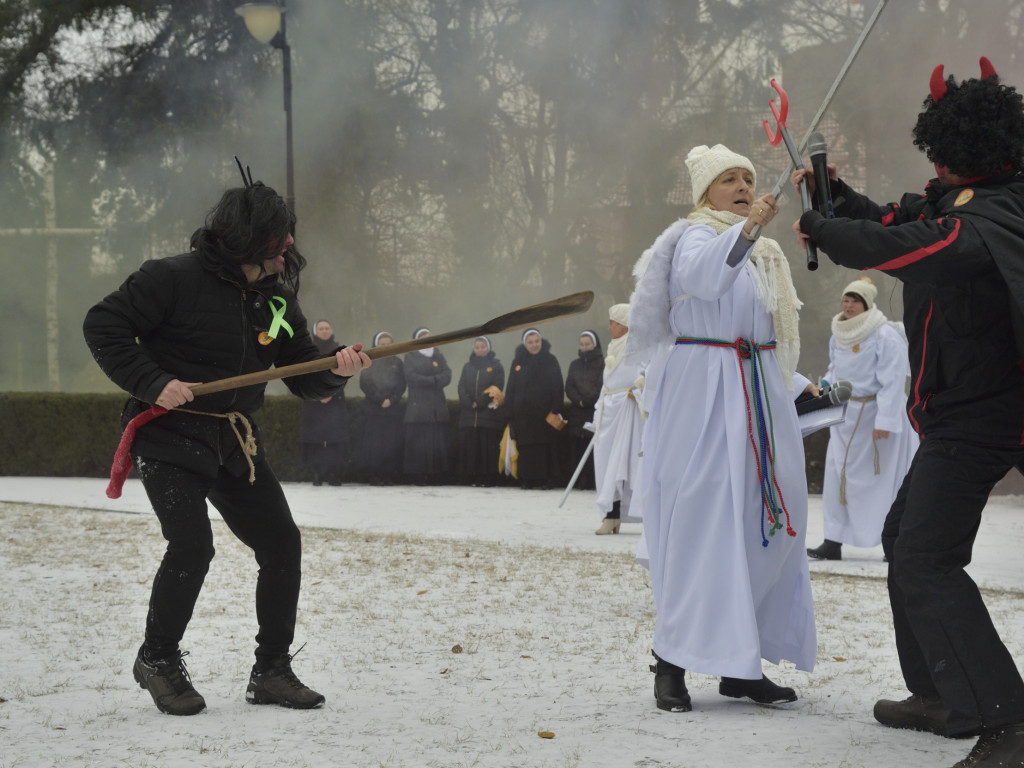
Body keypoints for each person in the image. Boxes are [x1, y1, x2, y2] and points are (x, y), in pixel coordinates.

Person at [794, 58, 1024, 766]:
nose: (935, 164)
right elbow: (889, 219)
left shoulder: (985, 220)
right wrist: (835, 197)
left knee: (926, 557)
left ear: (961, 150)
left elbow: (901, 246)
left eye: (942, 153)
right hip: (960, 413)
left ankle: (1006, 721)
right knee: (905, 538)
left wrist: (823, 228)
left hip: (984, 415)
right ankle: (941, 694)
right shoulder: (962, 201)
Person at [82, 179, 371, 716]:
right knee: (193, 546)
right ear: (248, 239)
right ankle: (157, 660)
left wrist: (336, 370)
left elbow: (302, 373)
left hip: (234, 440)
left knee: (282, 543)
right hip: (168, 435)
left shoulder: (276, 299)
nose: (288, 247)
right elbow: (103, 325)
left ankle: (271, 671)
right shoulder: (169, 278)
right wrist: (154, 382)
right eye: (278, 239)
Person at [628, 144, 817, 713]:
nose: (742, 187)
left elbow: (763, 329)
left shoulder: (764, 254)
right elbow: (706, 280)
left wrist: (795, 381)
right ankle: (672, 661)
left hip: (757, 392)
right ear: (705, 191)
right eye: (728, 179)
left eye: (747, 179)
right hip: (704, 394)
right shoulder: (692, 237)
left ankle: (741, 663)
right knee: (703, 519)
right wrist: (749, 228)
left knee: (768, 520)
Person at [806, 278, 918, 560]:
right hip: (845, 416)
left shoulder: (883, 335)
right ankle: (833, 540)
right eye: (846, 300)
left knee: (882, 482)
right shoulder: (838, 333)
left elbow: (893, 380)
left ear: (866, 304)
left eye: (855, 301)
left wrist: (885, 421)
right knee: (837, 476)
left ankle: (892, 543)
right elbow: (835, 368)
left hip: (876, 417)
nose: (848, 305)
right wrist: (823, 389)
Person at [592, 304, 646, 535]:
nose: (609, 327)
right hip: (610, 412)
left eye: (612, 322)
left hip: (628, 411)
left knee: (625, 465)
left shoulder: (637, 346)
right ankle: (611, 516)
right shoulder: (614, 346)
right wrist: (599, 410)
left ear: (623, 324)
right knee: (606, 464)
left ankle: (641, 514)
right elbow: (608, 382)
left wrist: (639, 391)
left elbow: (648, 372)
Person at [503, 328, 565, 490]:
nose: (534, 345)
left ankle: (547, 479)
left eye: (537, 341)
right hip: (523, 414)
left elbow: (558, 385)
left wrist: (556, 408)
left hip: (545, 413)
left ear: (541, 341)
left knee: (545, 446)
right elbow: (511, 388)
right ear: (525, 344)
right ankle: (527, 478)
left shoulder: (551, 360)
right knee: (526, 447)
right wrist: (509, 411)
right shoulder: (517, 362)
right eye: (530, 342)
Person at [299, 319, 349, 486]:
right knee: (315, 440)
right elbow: (304, 374)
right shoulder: (308, 350)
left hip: (335, 400)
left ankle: (334, 474)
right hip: (313, 401)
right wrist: (318, 393)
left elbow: (345, 374)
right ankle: (317, 474)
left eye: (327, 328)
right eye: (321, 328)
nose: (325, 331)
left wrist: (331, 393)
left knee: (335, 439)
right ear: (315, 331)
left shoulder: (339, 349)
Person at [402, 327, 452, 484]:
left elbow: (447, 374)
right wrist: (433, 380)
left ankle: (436, 475)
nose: (427, 340)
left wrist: (432, 380)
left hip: (436, 407)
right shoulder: (410, 356)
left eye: (429, 337)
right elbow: (411, 377)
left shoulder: (438, 355)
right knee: (419, 443)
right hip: (418, 408)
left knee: (436, 443)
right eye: (423, 338)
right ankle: (419, 475)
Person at [358, 331, 406, 485]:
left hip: (392, 411)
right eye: (382, 344)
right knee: (374, 445)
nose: (385, 347)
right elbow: (365, 383)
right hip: (374, 411)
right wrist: (380, 400)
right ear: (376, 345)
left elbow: (402, 384)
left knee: (391, 444)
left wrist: (392, 400)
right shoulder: (369, 361)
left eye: (388, 344)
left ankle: (388, 475)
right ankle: (374, 475)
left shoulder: (398, 362)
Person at [456, 336, 505, 486]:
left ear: (488, 348)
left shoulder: (496, 366)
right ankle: (472, 477)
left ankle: (489, 477)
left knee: (487, 449)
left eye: (483, 347)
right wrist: (468, 401)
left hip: (488, 415)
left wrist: (481, 401)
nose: (480, 349)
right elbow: (461, 386)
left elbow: (497, 386)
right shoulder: (467, 366)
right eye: (477, 347)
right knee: (472, 448)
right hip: (469, 415)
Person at [564, 330, 604, 491]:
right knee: (578, 448)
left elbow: (601, 386)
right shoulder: (574, 364)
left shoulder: (603, 364)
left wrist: (587, 401)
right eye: (582, 344)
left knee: (593, 448)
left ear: (594, 344)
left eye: (587, 344)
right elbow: (569, 386)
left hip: (594, 411)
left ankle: (594, 480)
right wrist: (578, 400)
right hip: (577, 413)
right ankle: (581, 480)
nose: (584, 347)